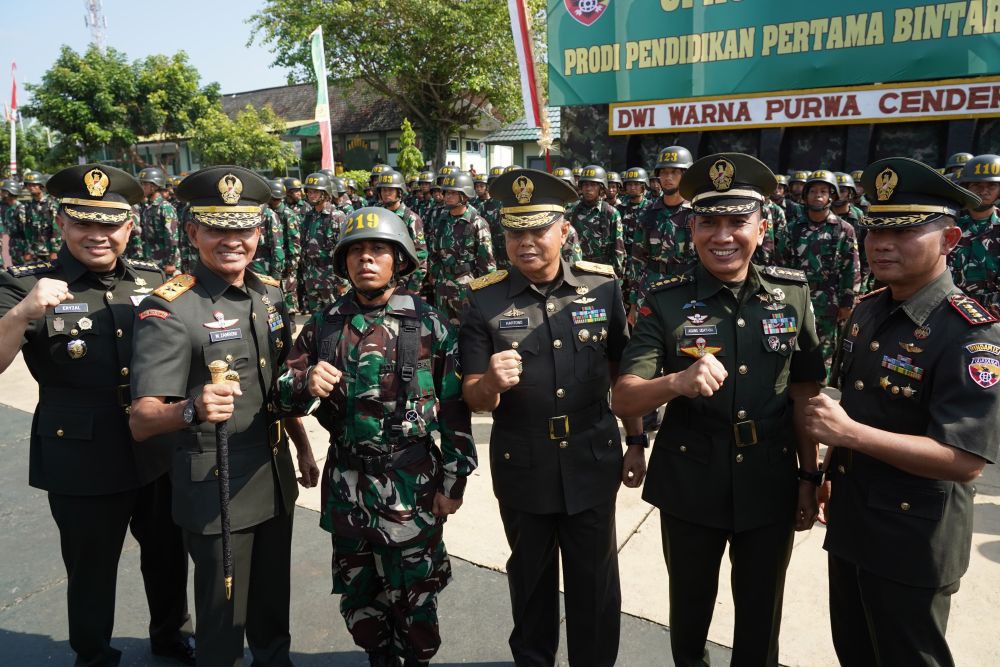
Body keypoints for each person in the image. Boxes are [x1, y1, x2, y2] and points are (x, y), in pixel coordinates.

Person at [612, 153, 825, 667]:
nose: (722, 236)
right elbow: (624, 396)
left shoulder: (792, 295)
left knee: (760, 621)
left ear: (762, 226)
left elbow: (804, 394)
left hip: (770, 480)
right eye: (709, 222)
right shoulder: (664, 301)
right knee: (688, 618)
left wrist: (809, 475)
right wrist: (676, 381)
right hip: (691, 481)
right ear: (691, 229)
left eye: (737, 221)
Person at [808, 157, 1000, 666]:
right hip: (853, 522)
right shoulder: (871, 309)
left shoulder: (971, 333)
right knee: (854, 651)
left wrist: (849, 435)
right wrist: (828, 473)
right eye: (876, 229)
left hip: (912, 539)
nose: (882, 244)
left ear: (951, 240)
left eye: (907, 230)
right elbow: (856, 401)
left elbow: (965, 460)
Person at [0, 164, 195, 666]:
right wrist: (23, 314)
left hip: (154, 447)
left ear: (129, 227)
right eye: (83, 222)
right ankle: (93, 654)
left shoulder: (155, 281)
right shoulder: (24, 286)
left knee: (168, 555)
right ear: (61, 223)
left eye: (111, 224)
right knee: (90, 567)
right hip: (81, 453)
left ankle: (171, 637)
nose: (98, 235)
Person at [129, 165, 319, 667]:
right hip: (217, 483)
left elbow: (274, 386)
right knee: (222, 619)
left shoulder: (269, 293)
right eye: (217, 229)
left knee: (272, 610)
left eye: (243, 230)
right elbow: (143, 419)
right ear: (193, 232)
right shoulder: (170, 308)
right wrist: (190, 408)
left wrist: (301, 447)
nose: (232, 241)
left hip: (273, 476)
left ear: (259, 232)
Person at [459, 168, 645, 667]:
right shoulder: (484, 298)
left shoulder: (601, 287)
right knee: (532, 583)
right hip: (524, 460)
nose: (525, 243)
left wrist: (636, 440)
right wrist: (491, 383)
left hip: (591, 453)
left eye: (537, 229)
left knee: (595, 584)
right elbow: (473, 396)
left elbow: (619, 372)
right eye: (514, 231)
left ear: (564, 230)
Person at [278, 206, 476, 666]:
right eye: (357, 251)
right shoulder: (324, 324)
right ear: (344, 262)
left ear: (399, 261)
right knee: (360, 597)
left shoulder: (427, 323)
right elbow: (282, 400)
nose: (366, 259)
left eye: (378, 250)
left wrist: (454, 482)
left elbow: (454, 410)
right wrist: (305, 384)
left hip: (412, 483)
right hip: (347, 484)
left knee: (416, 600)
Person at [786, 169, 860, 375]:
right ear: (805, 196)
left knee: (824, 354)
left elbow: (851, 268)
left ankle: (820, 395)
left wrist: (847, 303)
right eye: (812, 191)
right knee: (792, 349)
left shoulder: (845, 229)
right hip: (796, 299)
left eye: (823, 191)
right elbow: (781, 265)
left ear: (831, 196)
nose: (817, 195)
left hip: (829, 301)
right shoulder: (792, 229)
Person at [630, 147, 696, 315]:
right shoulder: (648, 213)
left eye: (674, 172)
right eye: (664, 172)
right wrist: (632, 303)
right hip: (651, 289)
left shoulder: (697, 214)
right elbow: (638, 261)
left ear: (686, 175)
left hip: (688, 289)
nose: (668, 178)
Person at [428, 171, 495, 324]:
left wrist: (485, 293)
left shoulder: (477, 223)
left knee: (468, 333)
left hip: (467, 288)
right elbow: (434, 253)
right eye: (446, 193)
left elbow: (487, 264)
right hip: (443, 288)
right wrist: (435, 277)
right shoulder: (442, 221)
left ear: (464, 196)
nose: (447, 196)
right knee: (442, 332)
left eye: (453, 193)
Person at [950, 153, 1000, 318]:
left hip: (994, 316)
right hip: (951, 312)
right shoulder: (950, 225)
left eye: (991, 185)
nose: (984, 191)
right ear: (966, 187)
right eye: (977, 185)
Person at [299, 171, 349, 313]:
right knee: (316, 319)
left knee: (334, 318)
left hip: (331, 278)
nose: (311, 195)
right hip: (311, 277)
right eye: (309, 192)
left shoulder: (337, 216)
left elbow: (343, 251)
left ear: (325, 194)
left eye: (316, 192)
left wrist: (343, 281)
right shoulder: (308, 217)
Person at [564, 164, 625, 279]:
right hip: (576, 271)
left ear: (601, 188)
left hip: (602, 271)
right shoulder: (571, 212)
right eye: (585, 185)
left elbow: (618, 249)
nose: (588, 188)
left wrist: (617, 277)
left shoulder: (611, 213)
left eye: (593, 185)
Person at [374, 170, 428, 293]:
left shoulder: (411, 218)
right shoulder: (378, 216)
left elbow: (421, 255)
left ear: (399, 192)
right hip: (382, 278)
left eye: (390, 190)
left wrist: (413, 286)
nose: (386, 193)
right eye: (383, 190)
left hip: (404, 280)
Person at [136, 167, 181, 275]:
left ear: (154, 186)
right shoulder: (148, 207)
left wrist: (171, 262)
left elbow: (172, 237)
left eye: (144, 184)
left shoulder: (165, 207)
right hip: (152, 260)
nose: (142, 188)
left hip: (166, 263)